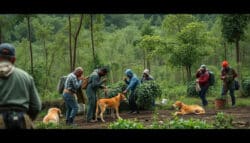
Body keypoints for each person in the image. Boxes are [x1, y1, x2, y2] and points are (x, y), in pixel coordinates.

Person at [0, 43, 41, 129]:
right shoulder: (26, 77)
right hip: (21, 121)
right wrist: (27, 118)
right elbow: (36, 106)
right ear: (14, 59)